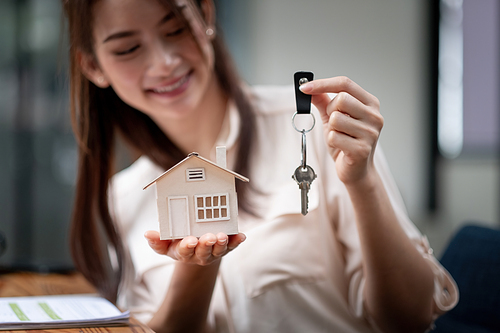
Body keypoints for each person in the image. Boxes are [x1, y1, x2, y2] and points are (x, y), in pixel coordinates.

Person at [63, 0, 458, 332]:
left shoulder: (313, 129)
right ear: (93, 66)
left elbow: (411, 317)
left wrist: (363, 181)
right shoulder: (125, 197)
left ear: (206, 16)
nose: (164, 63)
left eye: (177, 29)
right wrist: (197, 267)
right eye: (128, 49)